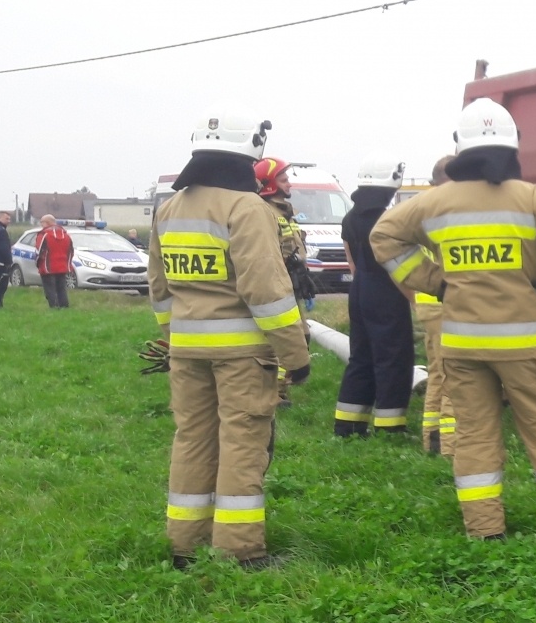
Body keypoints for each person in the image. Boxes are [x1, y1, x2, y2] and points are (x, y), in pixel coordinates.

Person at [370, 98, 536, 540]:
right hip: (524, 344)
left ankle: (484, 528)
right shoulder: (533, 198)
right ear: (514, 145)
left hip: (461, 343)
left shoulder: (433, 203)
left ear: (460, 147)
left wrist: (433, 281)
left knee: (474, 434)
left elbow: (383, 236)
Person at [148, 112, 311, 570]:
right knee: (242, 445)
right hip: (243, 356)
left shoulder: (170, 208)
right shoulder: (247, 209)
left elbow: (159, 290)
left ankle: (185, 545)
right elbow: (268, 293)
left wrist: (176, 336)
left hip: (186, 350)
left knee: (192, 441)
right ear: (250, 153)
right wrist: (295, 356)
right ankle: (240, 552)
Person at [334, 161, 416, 437]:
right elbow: (397, 267)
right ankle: (390, 427)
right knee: (393, 357)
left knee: (361, 357)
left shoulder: (350, 218)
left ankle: (348, 424)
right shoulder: (389, 219)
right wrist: (414, 300)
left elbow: (351, 262)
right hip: (386, 291)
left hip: (359, 290)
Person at [254, 156, 317, 407]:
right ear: (270, 184)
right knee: (281, 338)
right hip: (278, 286)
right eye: (284, 179)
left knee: (302, 336)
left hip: (293, 282)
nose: (289, 183)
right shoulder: (265, 213)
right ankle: (276, 391)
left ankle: (282, 385)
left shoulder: (285, 212)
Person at [415, 155, 458, 457]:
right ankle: (450, 445)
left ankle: (431, 438)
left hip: (427, 304)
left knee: (437, 373)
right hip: (447, 303)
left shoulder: (421, 209)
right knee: (454, 375)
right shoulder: (448, 210)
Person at [34, 215, 74, 308]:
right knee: (61, 288)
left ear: (46, 222)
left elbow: (38, 251)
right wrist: (67, 264)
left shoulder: (43, 235)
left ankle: (54, 306)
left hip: (47, 267)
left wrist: (38, 264)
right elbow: (71, 251)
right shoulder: (66, 235)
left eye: (42, 222)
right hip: (63, 266)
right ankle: (64, 306)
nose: (41, 225)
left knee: (50, 289)